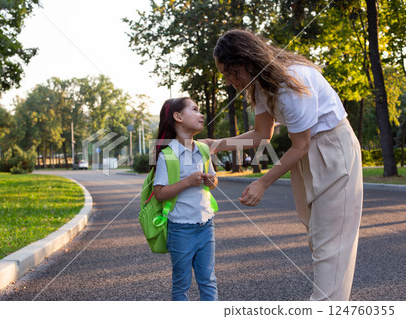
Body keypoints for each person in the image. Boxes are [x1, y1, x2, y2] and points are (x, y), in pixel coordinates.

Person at [204, 29, 363, 301]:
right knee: (317, 237)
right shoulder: (261, 86)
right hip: (307, 154)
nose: (230, 81)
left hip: (333, 149)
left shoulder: (290, 83)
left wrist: (262, 182)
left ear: (248, 62)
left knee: (331, 246)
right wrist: (214, 144)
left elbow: (300, 145)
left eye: (231, 73)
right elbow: (261, 135)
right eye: (225, 75)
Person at [153, 97, 219, 301]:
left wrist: (210, 181)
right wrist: (188, 182)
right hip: (180, 229)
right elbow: (160, 192)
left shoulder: (203, 150)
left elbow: (214, 180)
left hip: (206, 225)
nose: (201, 115)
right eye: (195, 109)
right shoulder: (168, 155)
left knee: (208, 280)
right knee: (181, 284)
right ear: (178, 116)